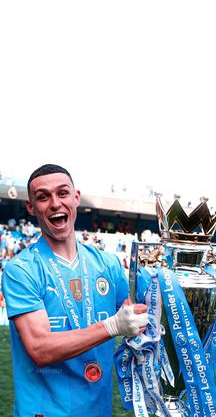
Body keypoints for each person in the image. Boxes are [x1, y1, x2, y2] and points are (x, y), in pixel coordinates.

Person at [2, 164, 148, 417]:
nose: (55, 203)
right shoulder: (21, 270)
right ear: (30, 207)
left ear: (76, 198)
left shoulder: (108, 264)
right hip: (43, 412)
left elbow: (138, 321)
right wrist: (112, 327)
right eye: (43, 197)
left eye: (62, 193)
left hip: (98, 410)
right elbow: (40, 349)